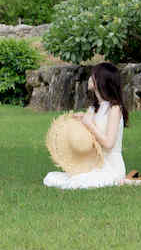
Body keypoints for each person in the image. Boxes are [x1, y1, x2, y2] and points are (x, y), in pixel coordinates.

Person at [43, 61, 129, 189]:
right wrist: (81, 120)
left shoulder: (114, 108)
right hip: (93, 162)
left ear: (100, 81)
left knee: (76, 183)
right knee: (52, 177)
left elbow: (109, 144)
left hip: (111, 166)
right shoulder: (94, 108)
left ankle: (118, 179)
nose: (89, 78)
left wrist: (88, 123)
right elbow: (88, 135)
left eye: (93, 76)